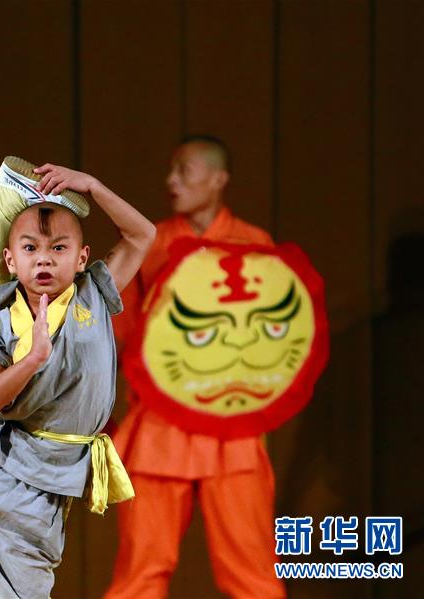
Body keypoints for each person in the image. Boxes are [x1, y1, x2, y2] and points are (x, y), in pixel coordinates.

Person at [0, 157, 155, 597]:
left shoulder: (93, 294)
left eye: (58, 248)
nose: (44, 258)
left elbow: (143, 235)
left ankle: (12, 197)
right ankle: (7, 201)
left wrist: (92, 185)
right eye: (30, 249)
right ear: (10, 260)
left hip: (57, 469)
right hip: (9, 470)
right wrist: (31, 360)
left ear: (82, 258)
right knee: (23, 589)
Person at [104, 135, 286, 598]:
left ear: (219, 179)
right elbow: (118, 333)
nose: (171, 180)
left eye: (184, 170)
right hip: (160, 427)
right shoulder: (150, 242)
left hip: (232, 427)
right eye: (171, 170)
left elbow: (279, 339)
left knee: (253, 577)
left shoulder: (255, 244)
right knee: (140, 575)